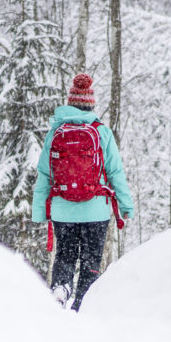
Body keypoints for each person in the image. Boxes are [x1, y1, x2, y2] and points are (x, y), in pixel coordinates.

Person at [31, 73, 134, 311]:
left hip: (62, 209)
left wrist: (39, 212)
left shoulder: (55, 134)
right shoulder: (101, 132)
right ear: (91, 105)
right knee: (91, 263)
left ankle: (60, 288)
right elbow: (116, 172)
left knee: (65, 256)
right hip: (95, 210)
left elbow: (45, 175)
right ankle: (83, 307)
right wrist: (126, 205)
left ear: (70, 103)